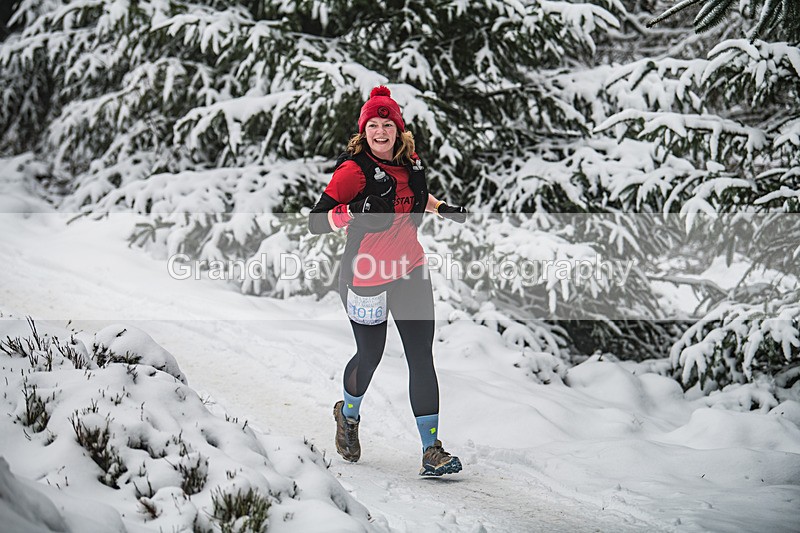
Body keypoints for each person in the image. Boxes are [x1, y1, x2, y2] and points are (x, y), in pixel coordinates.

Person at [308, 86, 467, 476]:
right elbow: (316, 221)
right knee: (370, 356)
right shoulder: (353, 171)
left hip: (411, 270)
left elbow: (413, 194)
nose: (381, 132)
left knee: (421, 358)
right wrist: (351, 211)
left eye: (388, 124)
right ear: (365, 131)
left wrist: (443, 208)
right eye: (374, 125)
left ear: (399, 129)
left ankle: (431, 450)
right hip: (364, 278)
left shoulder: (411, 163)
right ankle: (348, 414)